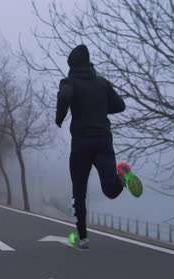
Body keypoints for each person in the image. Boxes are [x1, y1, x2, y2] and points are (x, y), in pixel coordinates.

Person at [56, 44, 143, 250]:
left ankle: (83, 239)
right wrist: (100, 107)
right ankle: (123, 177)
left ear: (72, 65)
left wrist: (59, 118)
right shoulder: (102, 83)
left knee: (79, 192)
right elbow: (120, 105)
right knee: (110, 190)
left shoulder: (69, 82)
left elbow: (64, 97)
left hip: (81, 145)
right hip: (103, 141)